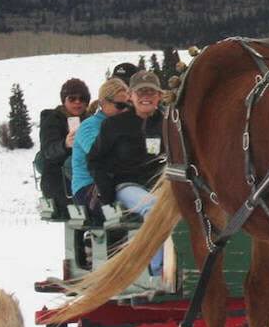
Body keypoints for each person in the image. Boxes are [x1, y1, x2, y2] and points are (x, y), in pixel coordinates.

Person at [85, 70, 169, 274]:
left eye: (151, 92)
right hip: (127, 185)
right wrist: (106, 195)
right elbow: (95, 160)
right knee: (153, 208)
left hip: (163, 184)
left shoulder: (169, 123)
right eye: (140, 92)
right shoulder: (114, 125)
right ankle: (157, 273)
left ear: (159, 96)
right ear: (131, 96)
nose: (146, 96)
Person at [71, 77, 130, 221]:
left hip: (117, 183)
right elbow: (99, 155)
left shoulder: (124, 124)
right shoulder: (89, 126)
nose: (125, 110)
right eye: (120, 106)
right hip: (89, 187)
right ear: (103, 103)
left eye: (128, 105)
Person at [33, 77, 90, 221]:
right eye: (72, 98)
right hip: (59, 183)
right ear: (64, 100)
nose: (77, 102)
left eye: (82, 99)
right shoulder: (52, 119)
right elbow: (48, 151)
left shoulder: (90, 120)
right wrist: (64, 144)